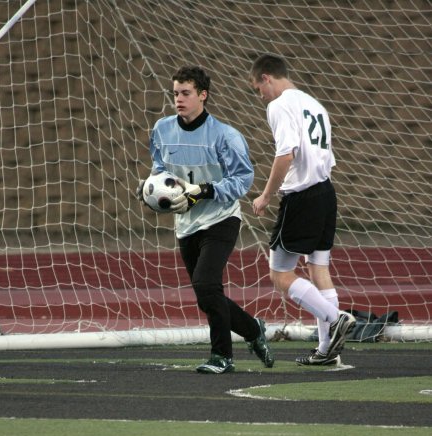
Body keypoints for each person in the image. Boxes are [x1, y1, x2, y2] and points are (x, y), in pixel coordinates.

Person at [138, 65, 274, 374]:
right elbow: (160, 169)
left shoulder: (226, 136)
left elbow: (242, 181)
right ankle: (253, 329)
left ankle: (222, 356)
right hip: (185, 224)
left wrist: (205, 191)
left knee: (205, 284)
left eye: (186, 93)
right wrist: (150, 187)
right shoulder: (162, 130)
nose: (179, 100)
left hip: (221, 219)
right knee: (207, 294)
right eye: (175, 93)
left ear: (203, 95)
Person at [250, 54, 355, 365]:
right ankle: (326, 352)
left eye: (258, 88)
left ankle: (335, 318)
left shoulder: (279, 105)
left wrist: (266, 195)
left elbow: (286, 154)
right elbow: (328, 159)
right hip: (326, 194)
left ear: (267, 78)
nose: (260, 96)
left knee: (280, 274)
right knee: (318, 270)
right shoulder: (316, 106)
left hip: (302, 197)